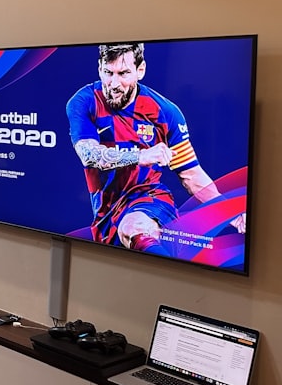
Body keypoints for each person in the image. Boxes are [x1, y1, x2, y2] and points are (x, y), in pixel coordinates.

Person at [65, 43, 244, 256]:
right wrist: (141, 155)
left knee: (135, 228)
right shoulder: (84, 101)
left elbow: (191, 176)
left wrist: (232, 214)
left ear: (140, 70)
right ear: (99, 68)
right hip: (105, 212)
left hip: (149, 198)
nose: (113, 83)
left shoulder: (165, 112)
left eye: (123, 73)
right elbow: (89, 155)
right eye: (108, 72)